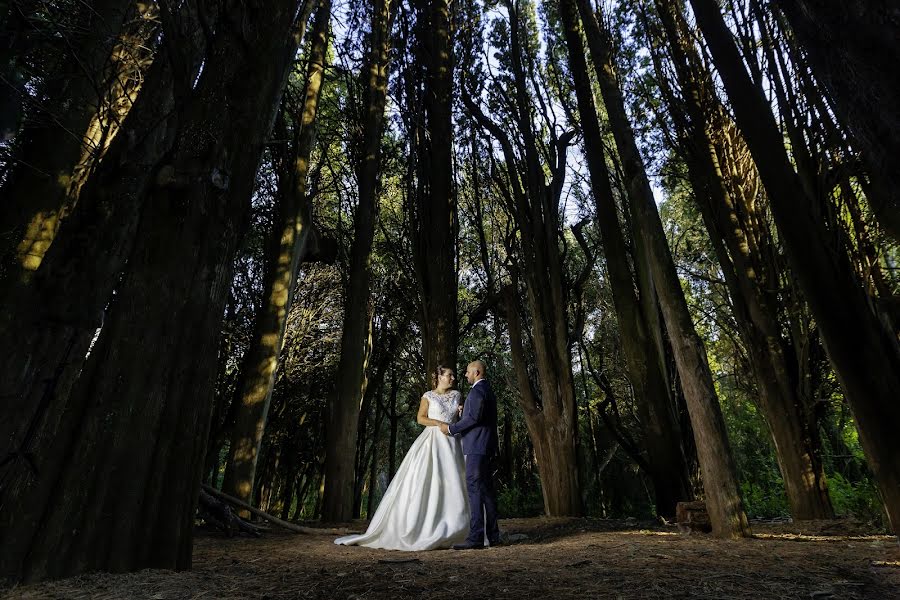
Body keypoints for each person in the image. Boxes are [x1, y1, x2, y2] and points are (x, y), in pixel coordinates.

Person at [334, 365, 469, 551]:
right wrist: (439, 423)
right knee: (428, 480)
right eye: (449, 375)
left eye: (453, 375)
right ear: (439, 377)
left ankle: (458, 526)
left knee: (456, 480)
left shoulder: (457, 395)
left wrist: (460, 415)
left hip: (454, 442)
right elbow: (421, 418)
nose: (453, 378)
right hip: (433, 440)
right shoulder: (428, 396)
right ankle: (427, 525)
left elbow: (459, 419)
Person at [440, 360, 501, 549]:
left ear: (477, 372)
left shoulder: (476, 391)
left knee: (474, 489)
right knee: (487, 491)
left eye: (467, 372)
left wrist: (450, 429)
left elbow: (474, 418)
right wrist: (464, 409)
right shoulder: (487, 390)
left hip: (477, 447)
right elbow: (477, 413)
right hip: (486, 446)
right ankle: (494, 536)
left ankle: (475, 538)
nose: (465, 375)